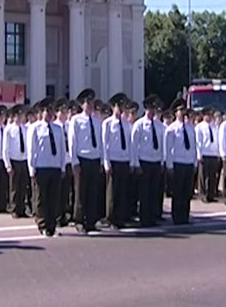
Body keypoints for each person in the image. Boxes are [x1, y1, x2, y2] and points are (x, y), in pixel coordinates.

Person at [27, 98, 66, 237]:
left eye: (51, 111)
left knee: (53, 198)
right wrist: (32, 168)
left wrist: (62, 167)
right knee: (41, 198)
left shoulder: (58, 128)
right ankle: (42, 224)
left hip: (54, 167)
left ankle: (52, 226)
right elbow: (32, 150)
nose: (49, 114)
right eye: (46, 111)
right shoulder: (35, 128)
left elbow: (62, 148)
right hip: (41, 167)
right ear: (41, 112)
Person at [69, 89, 103, 234]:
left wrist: (101, 160)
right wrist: (74, 161)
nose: (90, 105)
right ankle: (79, 220)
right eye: (87, 103)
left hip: (94, 159)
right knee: (81, 192)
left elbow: (101, 142)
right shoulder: (76, 120)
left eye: (92, 102)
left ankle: (91, 220)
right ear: (82, 105)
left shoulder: (97, 121)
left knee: (93, 191)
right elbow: (72, 141)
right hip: (82, 159)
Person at [102, 93, 135, 229]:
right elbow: (105, 144)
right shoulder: (108, 124)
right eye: (118, 106)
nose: (120, 109)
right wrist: (106, 163)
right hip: (113, 160)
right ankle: (111, 218)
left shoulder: (126, 124)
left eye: (122, 106)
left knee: (123, 191)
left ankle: (121, 217)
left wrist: (131, 161)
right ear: (113, 107)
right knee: (112, 192)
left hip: (124, 160)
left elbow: (130, 144)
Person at [131, 95, 164, 227]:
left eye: (154, 109)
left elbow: (161, 145)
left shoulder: (159, 125)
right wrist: (136, 163)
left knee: (154, 191)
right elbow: (134, 145)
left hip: (155, 161)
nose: (152, 112)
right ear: (145, 109)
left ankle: (152, 217)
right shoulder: (139, 124)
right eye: (150, 109)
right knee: (144, 192)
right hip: (144, 161)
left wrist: (162, 162)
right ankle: (144, 218)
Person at [166, 99, 196, 225]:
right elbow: (168, 149)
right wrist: (169, 165)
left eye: (184, 110)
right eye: (180, 110)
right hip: (178, 162)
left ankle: (185, 215)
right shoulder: (172, 129)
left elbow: (194, 146)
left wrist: (194, 163)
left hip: (188, 162)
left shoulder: (190, 128)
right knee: (178, 191)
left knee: (187, 191)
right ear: (175, 113)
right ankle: (177, 216)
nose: (183, 113)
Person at [4, 105, 29, 218]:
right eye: (18, 115)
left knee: (23, 186)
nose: (20, 117)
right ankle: (14, 209)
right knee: (14, 187)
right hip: (14, 160)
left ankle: (21, 209)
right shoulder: (9, 129)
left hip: (23, 160)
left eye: (22, 115)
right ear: (14, 117)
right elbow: (6, 148)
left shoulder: (25, 129)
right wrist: (8, 164)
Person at [54, 99, 74, 226]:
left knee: (66, 191)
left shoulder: (69, 126)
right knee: (57, 192)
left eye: (65, 111)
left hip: (68, 161)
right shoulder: (55, 126)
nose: (64, 114)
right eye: (61, 111)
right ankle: (57, 216)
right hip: (58, 162)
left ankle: (64, 215)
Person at [195, 107, 220, 203]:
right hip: (204, 153)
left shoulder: (214, 127)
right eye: (207, 115)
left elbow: (216, 141)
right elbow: (198, 142)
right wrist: (199, 154)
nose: (209, 117)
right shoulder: (200, 127)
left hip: (213, 153)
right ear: (203, 116)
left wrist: (217, 153)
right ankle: (203, 194)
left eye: (210, 115)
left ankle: (211, 194)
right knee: (203, 175)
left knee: (212, 176)